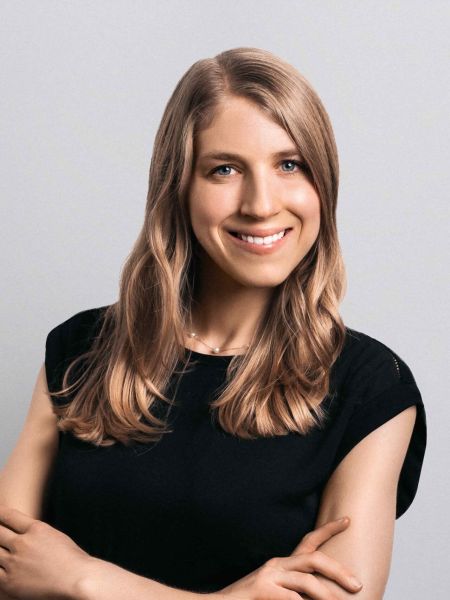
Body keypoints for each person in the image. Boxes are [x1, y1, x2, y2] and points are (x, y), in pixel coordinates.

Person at [0, 47, 426, 600]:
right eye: (224, 169)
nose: (261, 204)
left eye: (289, 165)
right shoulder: (80, 350)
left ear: (324, 181)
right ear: (178, 187)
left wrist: (84, 580)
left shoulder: (370, 387)